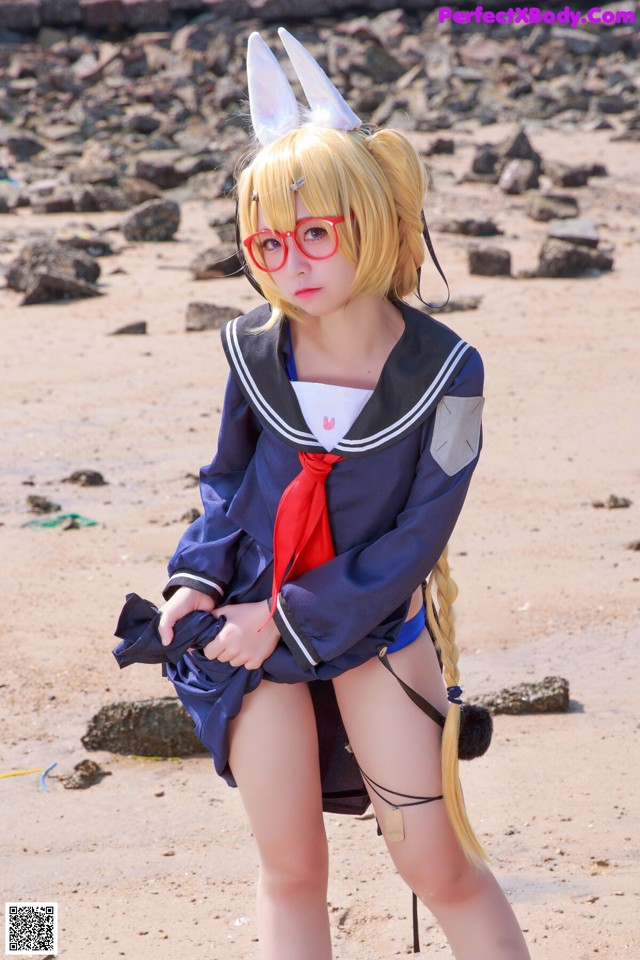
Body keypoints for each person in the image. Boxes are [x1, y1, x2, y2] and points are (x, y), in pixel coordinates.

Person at [152, 28, 531, 960]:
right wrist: (195, 581)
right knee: (291, 870)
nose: (292, 263)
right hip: (245, 623)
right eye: (268, 243)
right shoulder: (252, 346)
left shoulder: (449, 370)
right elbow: (230, 480)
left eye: (315, 233)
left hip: (374, 629)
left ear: (368, 215)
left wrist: (290, 615)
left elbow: (417, 535)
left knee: (434, 865)